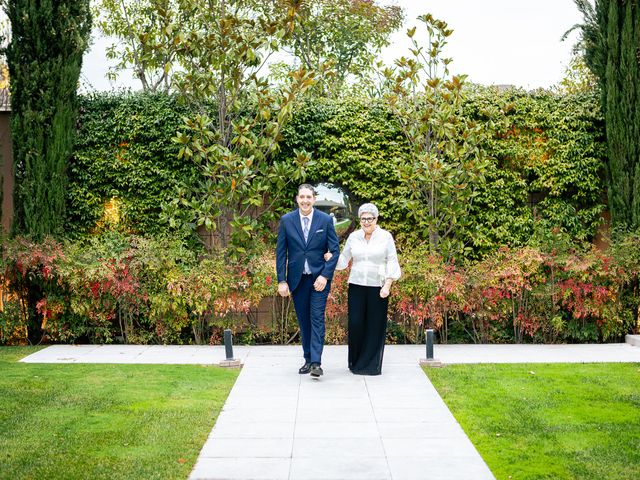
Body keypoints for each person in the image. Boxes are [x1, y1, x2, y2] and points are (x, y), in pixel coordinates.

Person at [276, 184, 340, 378]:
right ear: (297, 199)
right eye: (302, 197)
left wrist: (325, 275)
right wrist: (282, 280)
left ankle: (316, 363)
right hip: (297, 280)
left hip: (318, 279)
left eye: (308, 197)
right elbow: (281, 253)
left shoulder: (325, 220)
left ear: (314, 199)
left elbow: (335, 251)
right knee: (304, 321)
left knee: (317, 318)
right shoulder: (287, 220)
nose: (305, 200)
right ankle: (307, 359)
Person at [332, 203, 401, 375]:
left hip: (378, 287)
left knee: (374, 325)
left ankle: (370, 365)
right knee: (355, 323)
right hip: (356, 285)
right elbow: (344, 260)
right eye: (363, 218)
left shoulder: (385, 237)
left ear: (376, 219)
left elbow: (392, 260)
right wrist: (331, 258)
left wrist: (388, 284)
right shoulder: (354, 237)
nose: (366, 222)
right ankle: (355, 362)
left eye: (370, 218)